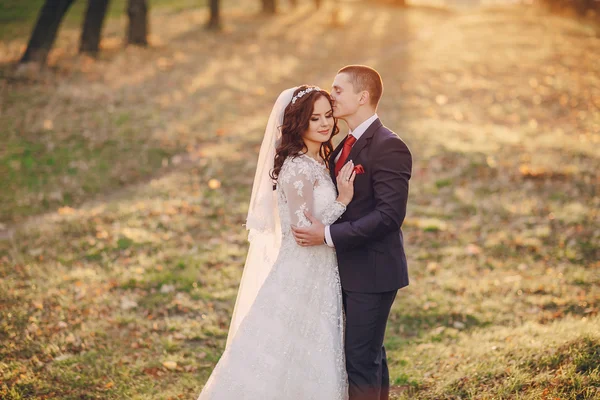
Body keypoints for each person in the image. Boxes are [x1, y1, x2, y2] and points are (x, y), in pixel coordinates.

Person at [197, 86, 356, 400]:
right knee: (286, 351)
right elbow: (302, 230)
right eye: (315, 118)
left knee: (310, 351)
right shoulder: (297, 167)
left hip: (320, 273)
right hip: (301, 273)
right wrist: (343, 200)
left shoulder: (317, 161)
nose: (325, 123)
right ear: (299, 122)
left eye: (327, 115)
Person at [292, 65, 413, 400]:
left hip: (373, 272)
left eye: (338, 89)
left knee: (360, 360)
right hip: (345, 270)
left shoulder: (388, 145)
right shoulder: (345, 143)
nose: (332, 96)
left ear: (362, 96)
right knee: (368, 356)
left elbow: (389, 216)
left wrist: (328, 236)